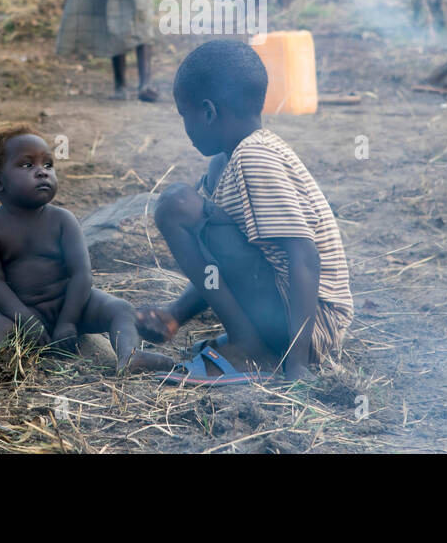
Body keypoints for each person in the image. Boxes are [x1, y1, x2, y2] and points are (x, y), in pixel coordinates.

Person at [138, 40, 354, 382]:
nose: (185, 128)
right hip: (285, 313)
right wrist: (175, 314)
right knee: (187, 207)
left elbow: (303, 257)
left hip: (310, 325)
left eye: (185, 115)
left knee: (176, 205)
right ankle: (253, 345)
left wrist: (297, 364)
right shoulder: (224, 165)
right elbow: (223, 257)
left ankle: (251, 350)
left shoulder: (256, 157)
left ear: (208, 112)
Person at [0, 124, 172, 373]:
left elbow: (81, 274)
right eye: (27, 165)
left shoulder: (63, 220)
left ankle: (129, 355)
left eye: (47, 165)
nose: (42, 173)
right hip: (23, 310)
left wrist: (68, 321)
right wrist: (25, 320)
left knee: (120, 308)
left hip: (73, 303)